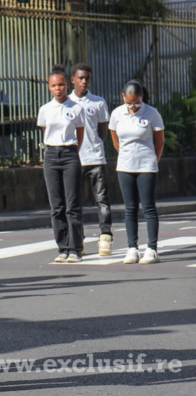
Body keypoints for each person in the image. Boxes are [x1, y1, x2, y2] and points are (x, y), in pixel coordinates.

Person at [109, 80, 165, 264]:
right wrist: (126, 156)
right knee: (130, 208)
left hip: (146, 166)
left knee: (148, 207)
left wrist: (152, 161)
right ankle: (132, 248)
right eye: (130, 102)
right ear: (123, 96)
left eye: (137, 102)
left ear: (142, 97)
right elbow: (116, 141)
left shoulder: (152, 113)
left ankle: (152, 249)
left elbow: (160, 141)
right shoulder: (117, 114)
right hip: (125, 166)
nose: (133, 106)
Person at [38, 65, 86, 263]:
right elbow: (44, 132)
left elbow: (80, 134)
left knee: (72, 205)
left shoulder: (76, 108)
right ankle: (63, 247)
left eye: (61, 85)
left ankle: (75, 248)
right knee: (56, 205)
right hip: (51, 155)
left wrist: (72, 151)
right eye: (53, 85)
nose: (58, 89)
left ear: (67, 85)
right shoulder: (45, 109)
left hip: (69, 155)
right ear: (49, 87)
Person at [70, 63, 113, 256]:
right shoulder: (66, 103)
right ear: (73, 80)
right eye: (80, 78)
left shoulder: (98, 102)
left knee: (101, 199)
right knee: (74, 202)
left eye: (87, 78)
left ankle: (105, 237)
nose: (84, 81)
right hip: (74, 159)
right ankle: (79, 241)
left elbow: (102, 132)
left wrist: (94, 144)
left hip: (95, 158)